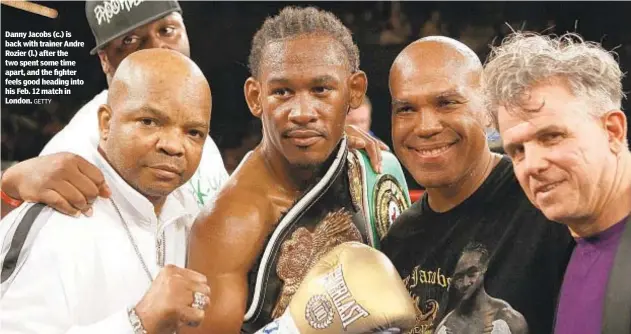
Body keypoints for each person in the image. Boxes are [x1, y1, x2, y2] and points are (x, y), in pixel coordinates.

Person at [0, 0, 384, 219]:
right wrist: (9, 188)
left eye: (167, 31)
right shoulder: (77, 147)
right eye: (131, 40)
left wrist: (307, 143)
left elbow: (216, 206)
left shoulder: (192, 129)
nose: (158, 48)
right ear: (105, 61)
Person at [184, 7, 412, 334]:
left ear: (355, 91)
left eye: (321, 90)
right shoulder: (229, 226)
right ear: (255, 96)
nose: (302, 113)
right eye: (282, 92)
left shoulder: (371, 166)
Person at [0, 49, 212, 334]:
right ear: (105, 123)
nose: (174, 145)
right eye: (150, 121)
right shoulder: (57, 218)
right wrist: (138, 322)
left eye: (194, 132)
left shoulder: (193, 217)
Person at [380, 36, 574, 334]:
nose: (426, 126)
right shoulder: (399, 239)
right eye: (406, 109)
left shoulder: (544, 199)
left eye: (446, 103)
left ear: (487, 110)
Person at [483, 32, 631, 334]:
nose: (533, 165)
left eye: (551, 136)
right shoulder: (563, 244)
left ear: (613, 131)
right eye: (518, 151)